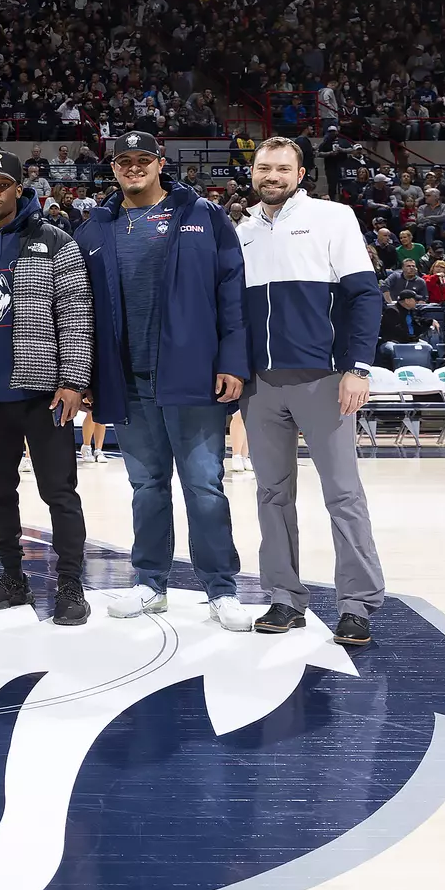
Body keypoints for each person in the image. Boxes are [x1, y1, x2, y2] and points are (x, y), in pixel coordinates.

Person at [75, 131, 252, 631]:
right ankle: (150, 582)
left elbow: (230, 294)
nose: (133, 168)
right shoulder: (95, 228)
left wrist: (232, 361)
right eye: (123, 161)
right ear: (113, 168)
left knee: (204, 486)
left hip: (192, 375)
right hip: (128, 378)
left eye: (142, 160)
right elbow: (82, 313)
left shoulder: (202, 215)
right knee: (146, 486)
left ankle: (222, 589)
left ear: (159, 163)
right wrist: (87, 375)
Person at [235, 137, 384, 645]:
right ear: (252, 173)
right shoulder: (242, 230)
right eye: (263, 168)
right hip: (261, 384)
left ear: (300, 174)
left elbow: (364, 295)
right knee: (271, 494)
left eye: (282, 168)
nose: (271, 176)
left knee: (342, 494)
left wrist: (358, 368)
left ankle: (357, 603)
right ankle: (283, 597)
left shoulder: (332, 217)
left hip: (324, 379)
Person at [0, 150, 94, 626]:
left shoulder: (54, 240)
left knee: (60, 493)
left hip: (44, 396)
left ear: (20, 189)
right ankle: (13, 578)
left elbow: (76, 315)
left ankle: (71, 584)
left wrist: (74, 381)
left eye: (3, 183)